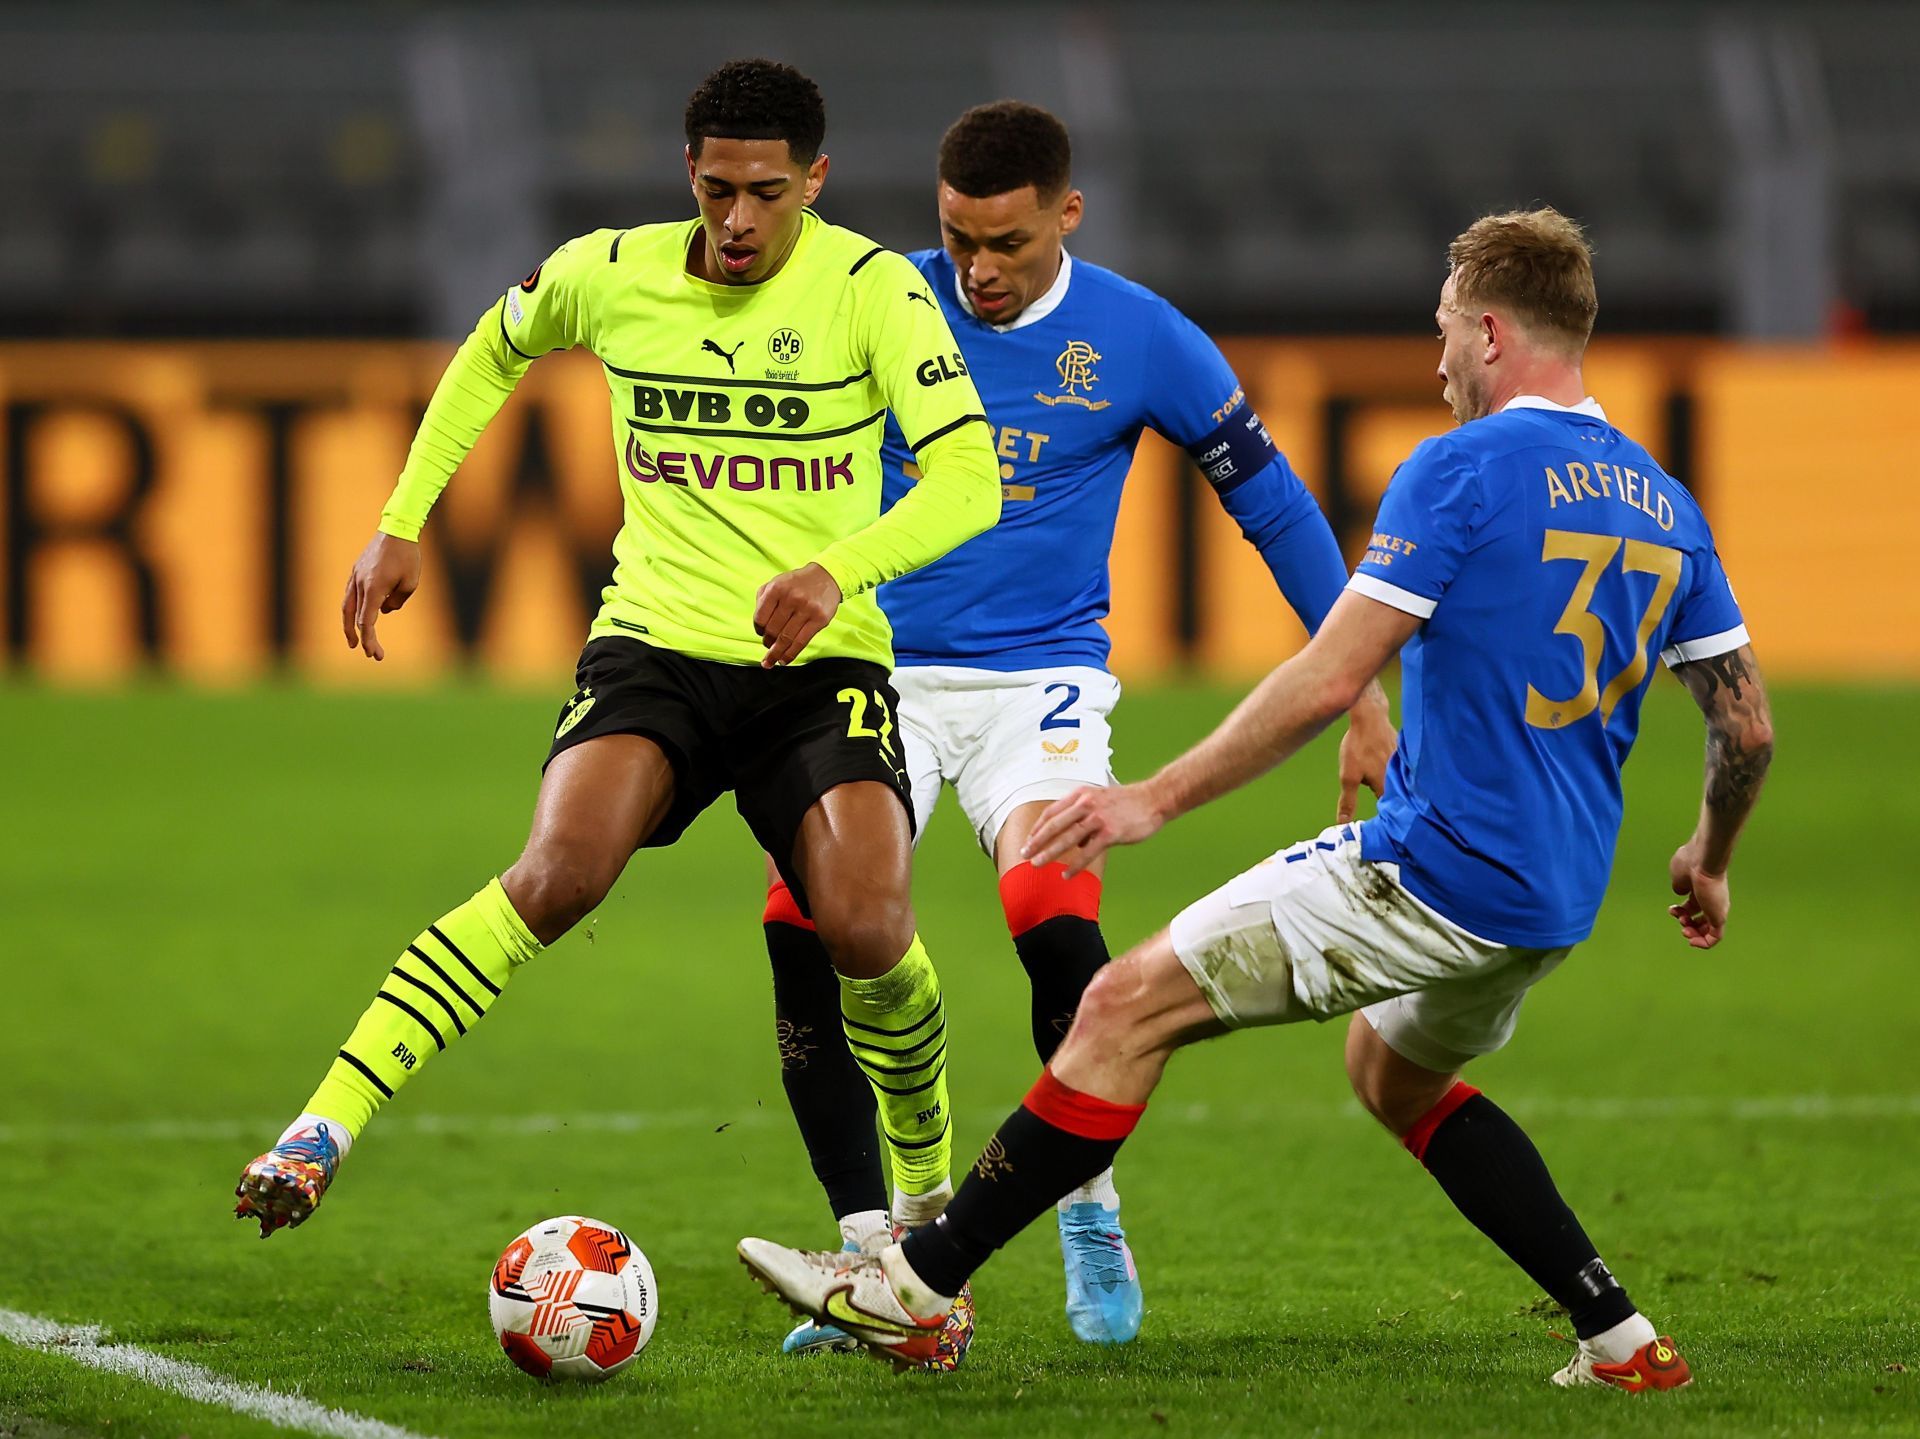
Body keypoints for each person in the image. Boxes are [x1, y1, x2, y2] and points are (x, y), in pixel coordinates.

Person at [739, 207, 1773, 1392]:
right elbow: (1745, 724)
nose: (1437, 359)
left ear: (1491, 329)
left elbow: (1329, 673)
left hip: (1431, 868)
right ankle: (1621, 1338)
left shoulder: (1458, 468)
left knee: (1122, 1004)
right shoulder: (1662, 501)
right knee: (1394, 1075)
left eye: (1444, 330)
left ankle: (913, 1289)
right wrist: (1711, 850)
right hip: (1553, 900)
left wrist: (1154, 799)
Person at [233, 59, 999, 1368]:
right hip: (655, 649)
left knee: (869, 922)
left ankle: (919, 1228)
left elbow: (970, 476)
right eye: (717, 189)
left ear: (813, 180)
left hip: (821, 659)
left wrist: (838, 570)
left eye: (767, 191)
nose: (740, 218)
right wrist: (402, 520)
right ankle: (322, 1125)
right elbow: (493, 346)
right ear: (688, 176)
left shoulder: (874, 291)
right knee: (556, 873)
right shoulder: (613, 269)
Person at [764, 101, 1395, 1354]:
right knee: (807, 923)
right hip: (875, 672)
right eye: (956, 240)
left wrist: (1359, 679)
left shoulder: (1142, 336)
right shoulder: (881, 301)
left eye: (1004, 242)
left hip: (1039, 684)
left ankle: (1087, 1207)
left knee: (1052, 919)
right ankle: (867, 1255)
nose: (978, 270)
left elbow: (1271, 505)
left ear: (1067, 213)